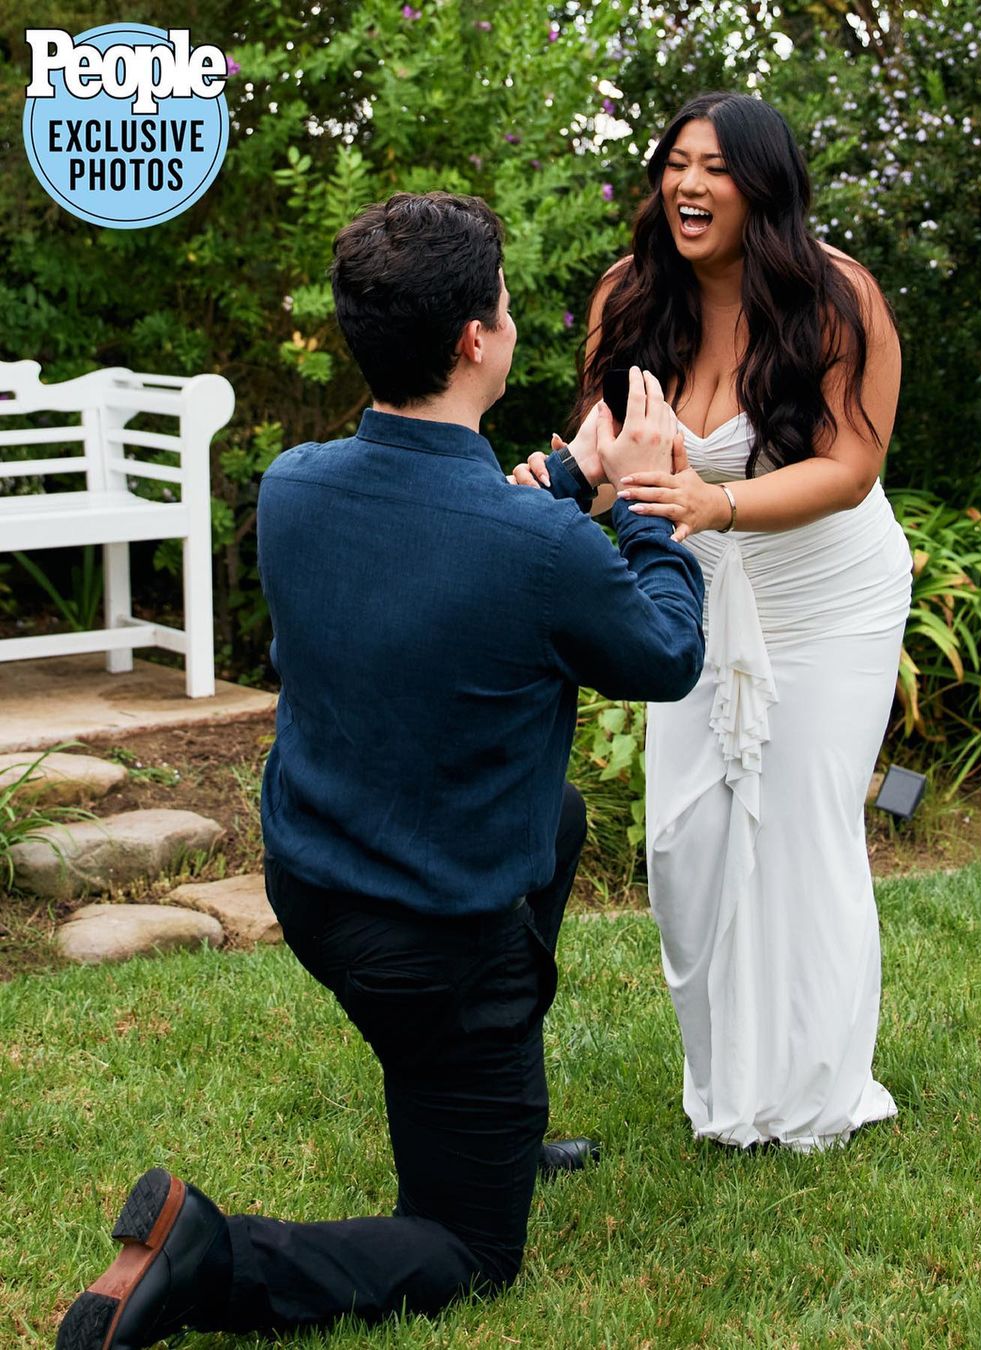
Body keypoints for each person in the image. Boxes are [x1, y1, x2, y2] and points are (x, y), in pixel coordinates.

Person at [55, 192, 704, 1348]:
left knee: (555, 821)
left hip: (315, 888)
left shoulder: (296, 485)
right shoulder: (535, 549)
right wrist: (649, 501)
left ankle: (491, 1110)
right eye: (505, 306)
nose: (512, 322)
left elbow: (448, 545)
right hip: (434, 940)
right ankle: (209, 1254)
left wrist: (569, 472)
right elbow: (665, 654)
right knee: (470, 1251)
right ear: (476, 339)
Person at [513, 91, 912, 1152]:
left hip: (826, 597)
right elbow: (612, 452)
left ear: (763, 188)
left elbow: (851, 468)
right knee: (686, 845)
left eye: (716, 168)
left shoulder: (837, 299)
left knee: (801, 835)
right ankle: (726, 1090)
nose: (688, 185)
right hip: (695, 592)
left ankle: (811, 1098)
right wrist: (556, 485)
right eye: (676, 163)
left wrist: (719, 503)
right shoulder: (630, 295)